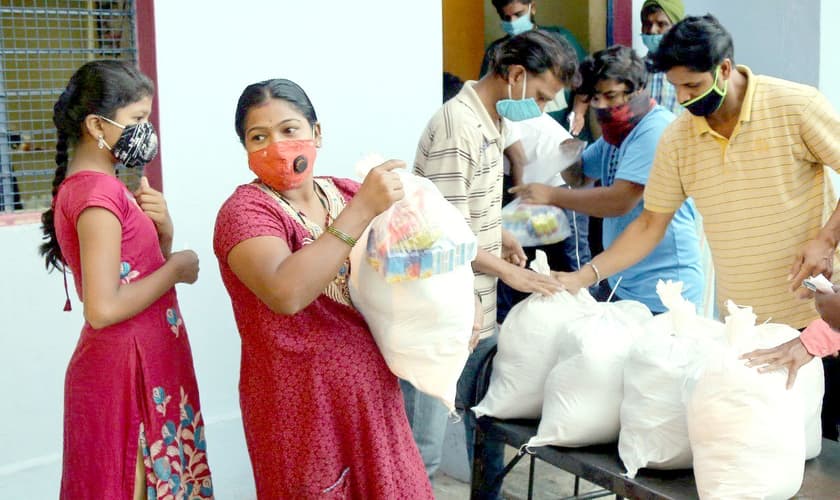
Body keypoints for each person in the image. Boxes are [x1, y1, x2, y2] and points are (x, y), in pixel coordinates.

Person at [547, 15, 840, 440]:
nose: (683, 99)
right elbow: (649, 224)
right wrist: (584, 275)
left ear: (724, 68)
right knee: (763, 452)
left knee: (826, 448)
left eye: (693, 87)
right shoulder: (679, 139)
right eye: (677, 87)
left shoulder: (795, 106)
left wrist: (827, 238)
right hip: (745, 325)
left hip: (822, 317)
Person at [212, 79, 433, 498]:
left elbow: (417, 260)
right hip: (305, 414)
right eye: (258, 137)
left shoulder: (345, 192)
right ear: (246, 150)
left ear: (317, 133)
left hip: (375, 399)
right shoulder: (245, 212)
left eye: (289, 129)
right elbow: (286, 291)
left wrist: (457, 302)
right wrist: (363, 210)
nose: (277, 146)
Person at [406, 30, 576, 498]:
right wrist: (508, 271)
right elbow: (437, 236)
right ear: (515, 75)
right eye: (541, 97)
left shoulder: (493, 121)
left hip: (474, 308)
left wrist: (500, 237)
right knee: (422, 450)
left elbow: (463, 209)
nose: (542, 109)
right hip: (437, 316)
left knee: (485, 428)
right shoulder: (456, 127)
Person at [40, 60, 212, 498]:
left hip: (140, 363)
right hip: (125, 375)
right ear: (97, 125)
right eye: (137, 119)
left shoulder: (101, 188)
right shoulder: (98, 195)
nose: (146, 132)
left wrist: (164, 238)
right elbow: (103, 308)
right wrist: (175, 268)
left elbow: (130, 278)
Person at [512, 45, 704, 312]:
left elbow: (619, 201)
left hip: (664, 290)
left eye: (611, 96)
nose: (601, 106)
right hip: (622, 280)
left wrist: (551, 195)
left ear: (638, 90)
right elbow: (581, 177)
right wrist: (567, 154)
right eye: (596, 98)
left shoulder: (654, 131)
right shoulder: (618, 134)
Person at [640, 0, 685, 114]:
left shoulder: (691, 71)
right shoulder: (634, 70)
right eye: (647, 24)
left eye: (661, 24)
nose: (652, 30)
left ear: (677, 28)